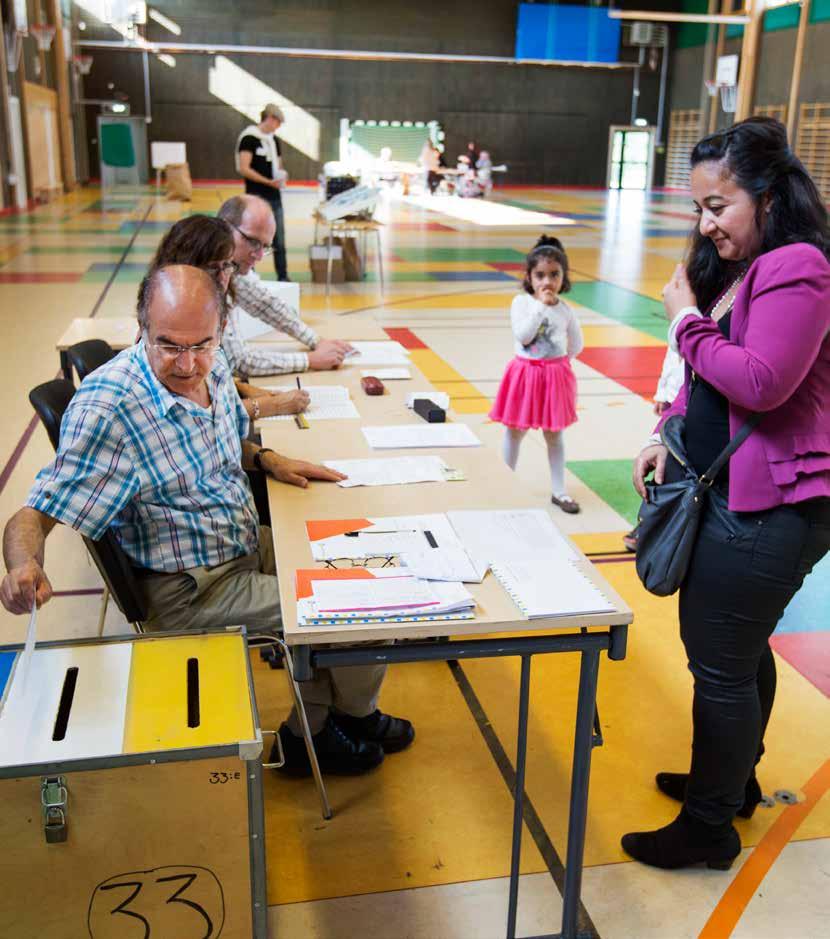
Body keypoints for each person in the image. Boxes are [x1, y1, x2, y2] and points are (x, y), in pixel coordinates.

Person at [0, 265, 414, 776]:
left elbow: (214, 444)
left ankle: (340, 717)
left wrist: (266, 460)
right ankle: (320, 732)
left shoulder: (212, 369)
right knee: (360, 605)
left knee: (376, 568)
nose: (187, 363)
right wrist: (23, 567)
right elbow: (32, 515)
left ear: (220, 331)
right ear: (140, 327)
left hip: (241, 541)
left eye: (203, 344)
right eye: (169, 345)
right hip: (193, 590)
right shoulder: (109, 409)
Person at [624, 117, 830, 870]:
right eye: (698, 208)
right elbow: (713, 379)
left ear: (768, 195)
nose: (705, 224)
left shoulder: (799, 265)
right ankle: (730, 780)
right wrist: (670, 432)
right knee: (736, 654)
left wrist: (681, 317)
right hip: (737, 494)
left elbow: (762, 383)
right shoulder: (752, 265)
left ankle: (709, 823)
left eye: (719, 206)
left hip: (775, 504)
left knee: (718, 663)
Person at [147, 213, 309, 419]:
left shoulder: (217, 294)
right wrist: (272, 405)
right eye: (213, 268)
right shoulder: (174, 321)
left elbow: (213, 376)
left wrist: (246, 390)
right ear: (187, 266)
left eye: (227, 265)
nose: (223, 277)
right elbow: (196, 417)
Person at [489, 236, 584, 513]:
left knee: (554, 435)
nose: (547, 281)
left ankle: (559, 491)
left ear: (563, 277)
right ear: (529, 277)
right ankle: (506, 484)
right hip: (525, 376)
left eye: (554, 275)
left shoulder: (566, 310)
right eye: (540, 275)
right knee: (514, 432)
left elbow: (577, 344)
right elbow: (523, 334)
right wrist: (541, 306)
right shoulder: (521, 303)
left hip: (553, 377)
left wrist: (559, 364)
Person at [217, 195, 353, 376]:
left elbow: (265, 305)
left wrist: (316, 341)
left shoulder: (229, 263)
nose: (258, 256)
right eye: (252, 242)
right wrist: (310, 360)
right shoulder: (211, 274)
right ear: (225, 227)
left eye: (264, 247)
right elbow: (239, 361)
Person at [623, 347, 685, 552]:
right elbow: (673, 351)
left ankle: (657, 525)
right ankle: (648, 524)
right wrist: (663, 392)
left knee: (674, 472)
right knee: (659, 469)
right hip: (675, 401)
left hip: (692, 403)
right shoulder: (684, 319)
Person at [235, 103, 290, 280]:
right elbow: (244, 168)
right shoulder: (249, 138)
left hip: (275, 197)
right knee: (252, 240)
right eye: (278, 123)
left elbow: (279, 164)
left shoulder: (274, 140)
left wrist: (281, 176)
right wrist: (267, 182)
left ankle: (283, 276)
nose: (278, 127)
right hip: (255, 198)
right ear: (270, 118)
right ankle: (249, 276)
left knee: (279, 240)